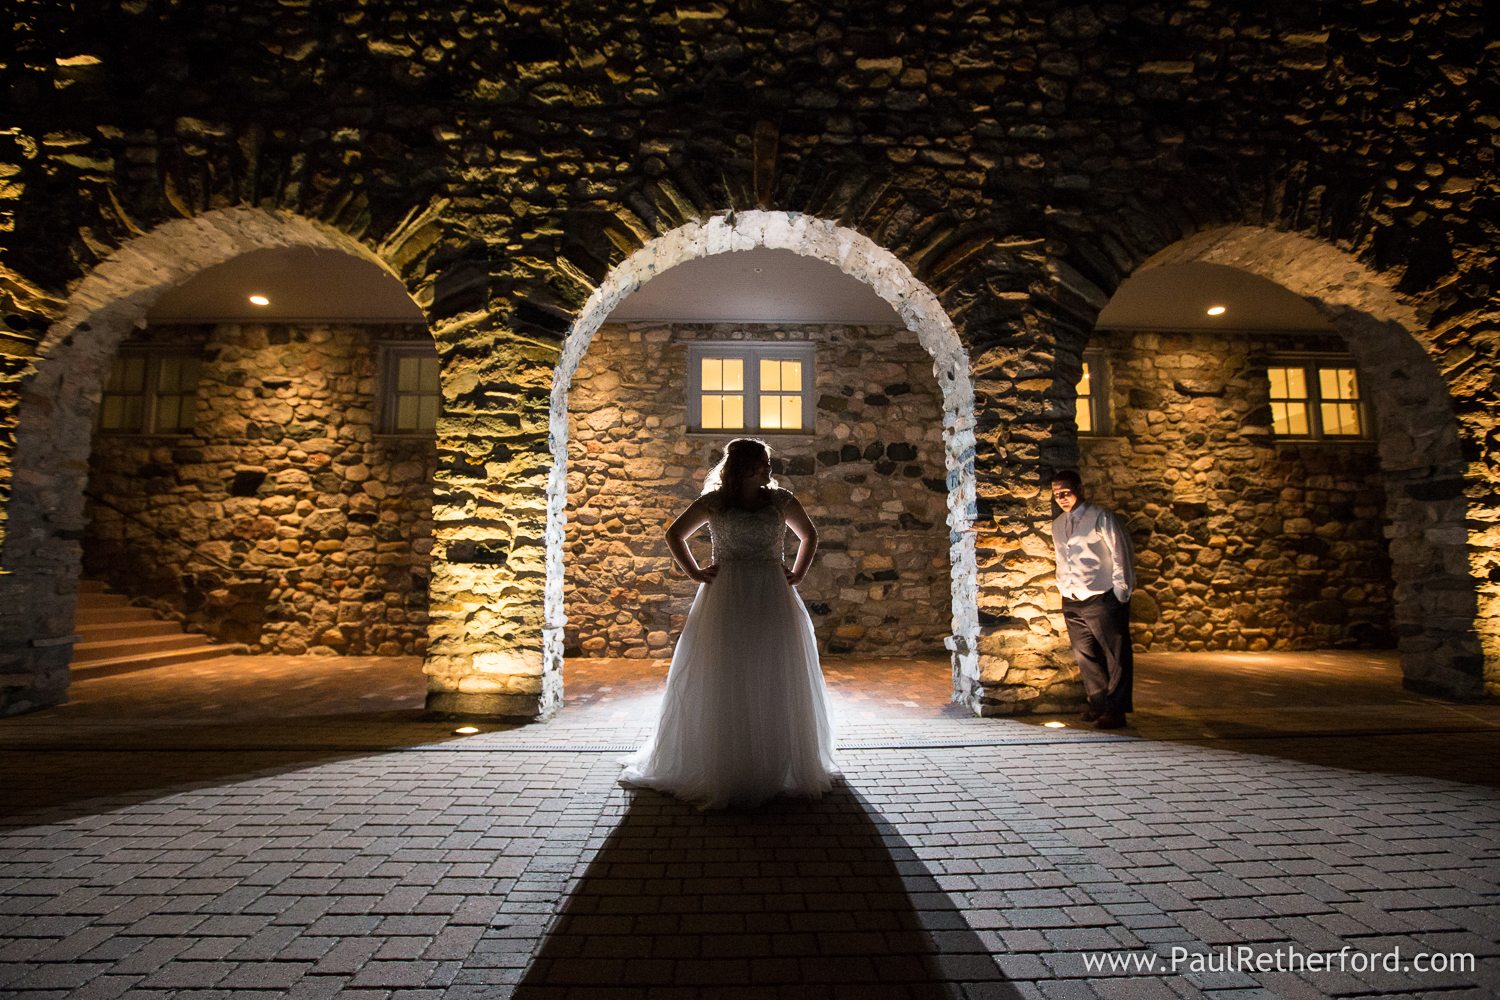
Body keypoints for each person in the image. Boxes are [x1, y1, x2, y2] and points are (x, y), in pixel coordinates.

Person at [619, 438, 839, 808]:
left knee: (774, 671)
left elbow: (809, 535)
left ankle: (776, 760)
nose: (769, 469)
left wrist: (798, 573)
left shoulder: (780, 499)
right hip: (727, 594)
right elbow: (674, 533)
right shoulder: (715, 502)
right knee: (727, 673)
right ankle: (726, 763)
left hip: (772, 592)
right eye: (763, 463)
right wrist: (694, 571)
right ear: (747, 466)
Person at [1050, 469, 1136, 730]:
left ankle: (1116, 710)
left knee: (1115, 653)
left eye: (1066, 491)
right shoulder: (1058, 524)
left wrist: (1121, 592)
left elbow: (1121, 552)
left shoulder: (1101, 517)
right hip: (1072, 598)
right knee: (1085, 654)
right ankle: (1099, 703)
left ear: (1080, 489)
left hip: (1102, 596)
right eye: (1057, 494)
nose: (1062, 498)